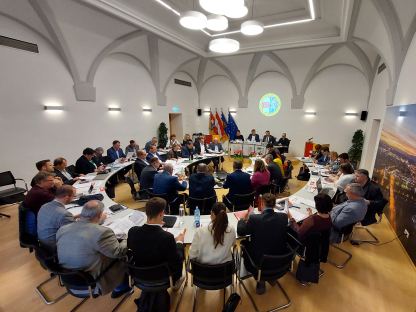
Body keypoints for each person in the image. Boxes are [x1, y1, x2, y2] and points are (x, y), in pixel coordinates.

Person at [56, 200, 131, 297]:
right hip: (93, 281)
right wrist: (127, 238)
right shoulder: (102, 233)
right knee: (127, 255)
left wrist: (97, 222)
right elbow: (118, 252)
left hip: (69, 279)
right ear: (99, 215)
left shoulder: (62, 229)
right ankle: (121, 287)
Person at [127, 197, 185, 291]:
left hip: (139, 274)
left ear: (146, 213)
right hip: (163, 277)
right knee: (180, 252)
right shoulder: (167, 237)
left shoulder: (133, 231)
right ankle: (177, 281)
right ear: (161, 214)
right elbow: (177, 260)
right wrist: (179, 241)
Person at [237, 193, 288, 294]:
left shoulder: (254, 219)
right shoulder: (283, 217)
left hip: (259, 263)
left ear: (262, 203)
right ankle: (271, 278)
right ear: (274, 205)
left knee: (244, 243)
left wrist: (243, 219)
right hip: (280, 261)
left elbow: (241, 231)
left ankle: (261, 280)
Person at [288, 193, 332, 284]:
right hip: (319, 246)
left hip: (305, 246)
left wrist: (291, 219)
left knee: (287, 230)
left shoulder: (312, 220)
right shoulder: (328, 217)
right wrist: (311, 215)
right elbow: (317, 225)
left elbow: (299, 232)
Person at [37, 185, 76, 251]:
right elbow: (74, 233)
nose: (74, 198)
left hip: (43, 243)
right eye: (73, 196)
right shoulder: (64, 214)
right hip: (55, 246)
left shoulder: (44, 206)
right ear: (66, 197)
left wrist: (75, 217)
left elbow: (56, 220)